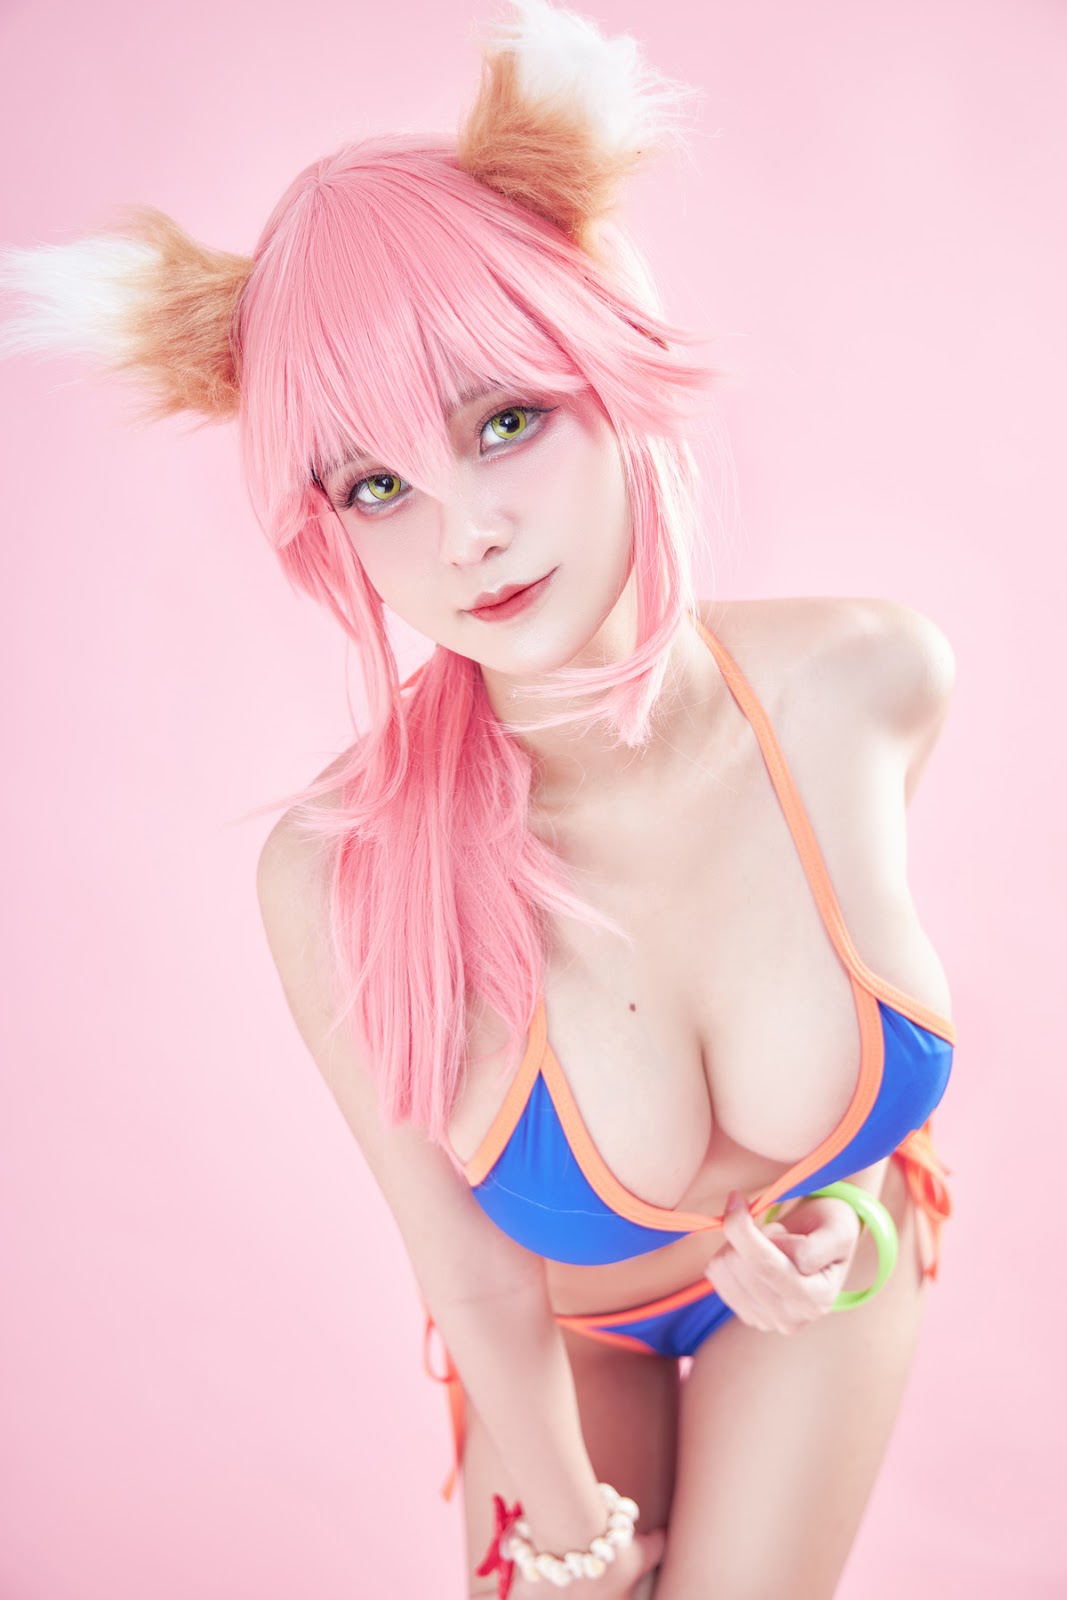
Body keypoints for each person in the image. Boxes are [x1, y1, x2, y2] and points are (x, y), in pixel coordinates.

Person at [0, 2, 957, 1595]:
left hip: (836, 1273)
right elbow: (472, 1276)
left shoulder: (871, 679)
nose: (466, 537)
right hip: (557, 1343)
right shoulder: (337, 870)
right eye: (377, 485)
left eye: (504, 422)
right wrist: (576, 1532)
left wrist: (841, 1222)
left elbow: (861, 1054)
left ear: (607, 366)